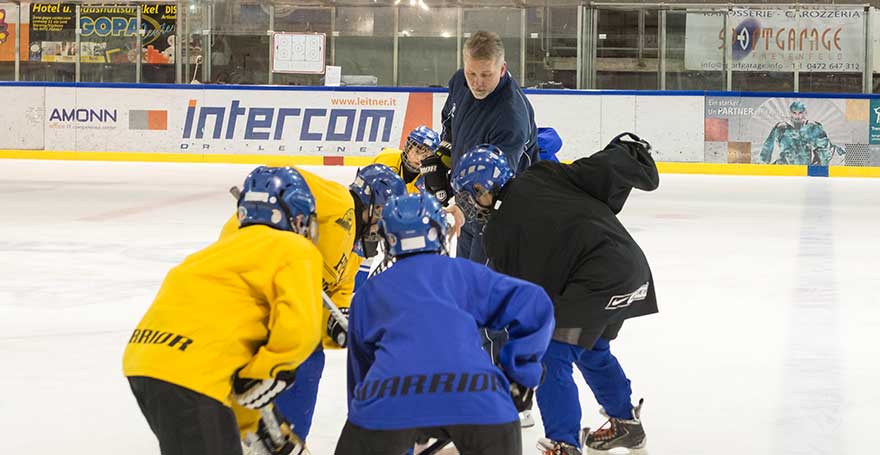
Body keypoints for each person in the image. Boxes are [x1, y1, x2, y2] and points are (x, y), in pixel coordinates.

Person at [450, 136, 660, 454]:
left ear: (483, 189)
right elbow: (598, 172)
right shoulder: (542, 173)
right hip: (632, 269)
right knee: (591, 347)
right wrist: (628, 154)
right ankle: (626, 424)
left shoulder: (498, 232)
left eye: (468, 195)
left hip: (598, 279)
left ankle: (564, 443)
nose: (467, 203)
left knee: (550, 353)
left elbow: (525, 300)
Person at [334, 192, 555, 455]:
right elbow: (535, 303)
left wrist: (368, 415)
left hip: (389, 401)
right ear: (439, 231)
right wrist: (520, 375)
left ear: (388, 239)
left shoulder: (370, 294)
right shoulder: (462, 274)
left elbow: (361, 372)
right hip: (481, 399)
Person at [123, 166, 324, 455]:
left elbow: (222, 364)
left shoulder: (213, 255)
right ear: (295, 214)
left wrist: (255, 425)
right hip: (190, 378)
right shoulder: (293, 247)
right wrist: (269, 371)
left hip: (146, 364)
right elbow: (299, 331)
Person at [219, 164, 407, 446]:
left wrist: (337, 328)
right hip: (250, 272)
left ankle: (282, 438)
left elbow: (331, 306)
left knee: (308, 355)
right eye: (384, 214)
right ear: (373, 203)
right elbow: (284, 177)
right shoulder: (341, 202)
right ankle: (246, 431)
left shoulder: (354, 256)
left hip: (280, 303)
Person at [421, 30, 539, 264]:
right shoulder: (459, 82)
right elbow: (450, 122)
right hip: (467, 203)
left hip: (500, 213)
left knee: (481, 284)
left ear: (502, 69)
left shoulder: (511, 117)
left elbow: (497, 180)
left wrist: (462, 206)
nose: (477, 82)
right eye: (471, 73)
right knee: (465, 277)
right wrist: (443, 154)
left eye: (486, 74)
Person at [759, 100, 844, 165]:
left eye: (800, 113)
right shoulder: (781, 128)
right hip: (785, 168)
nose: (797, 116)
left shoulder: (813, 128)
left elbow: (825, 150)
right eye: (794, 113)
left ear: (805, 113)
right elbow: (767, 147)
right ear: (790, 113)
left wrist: (819, 165)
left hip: (806, 168)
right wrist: (763, 164)